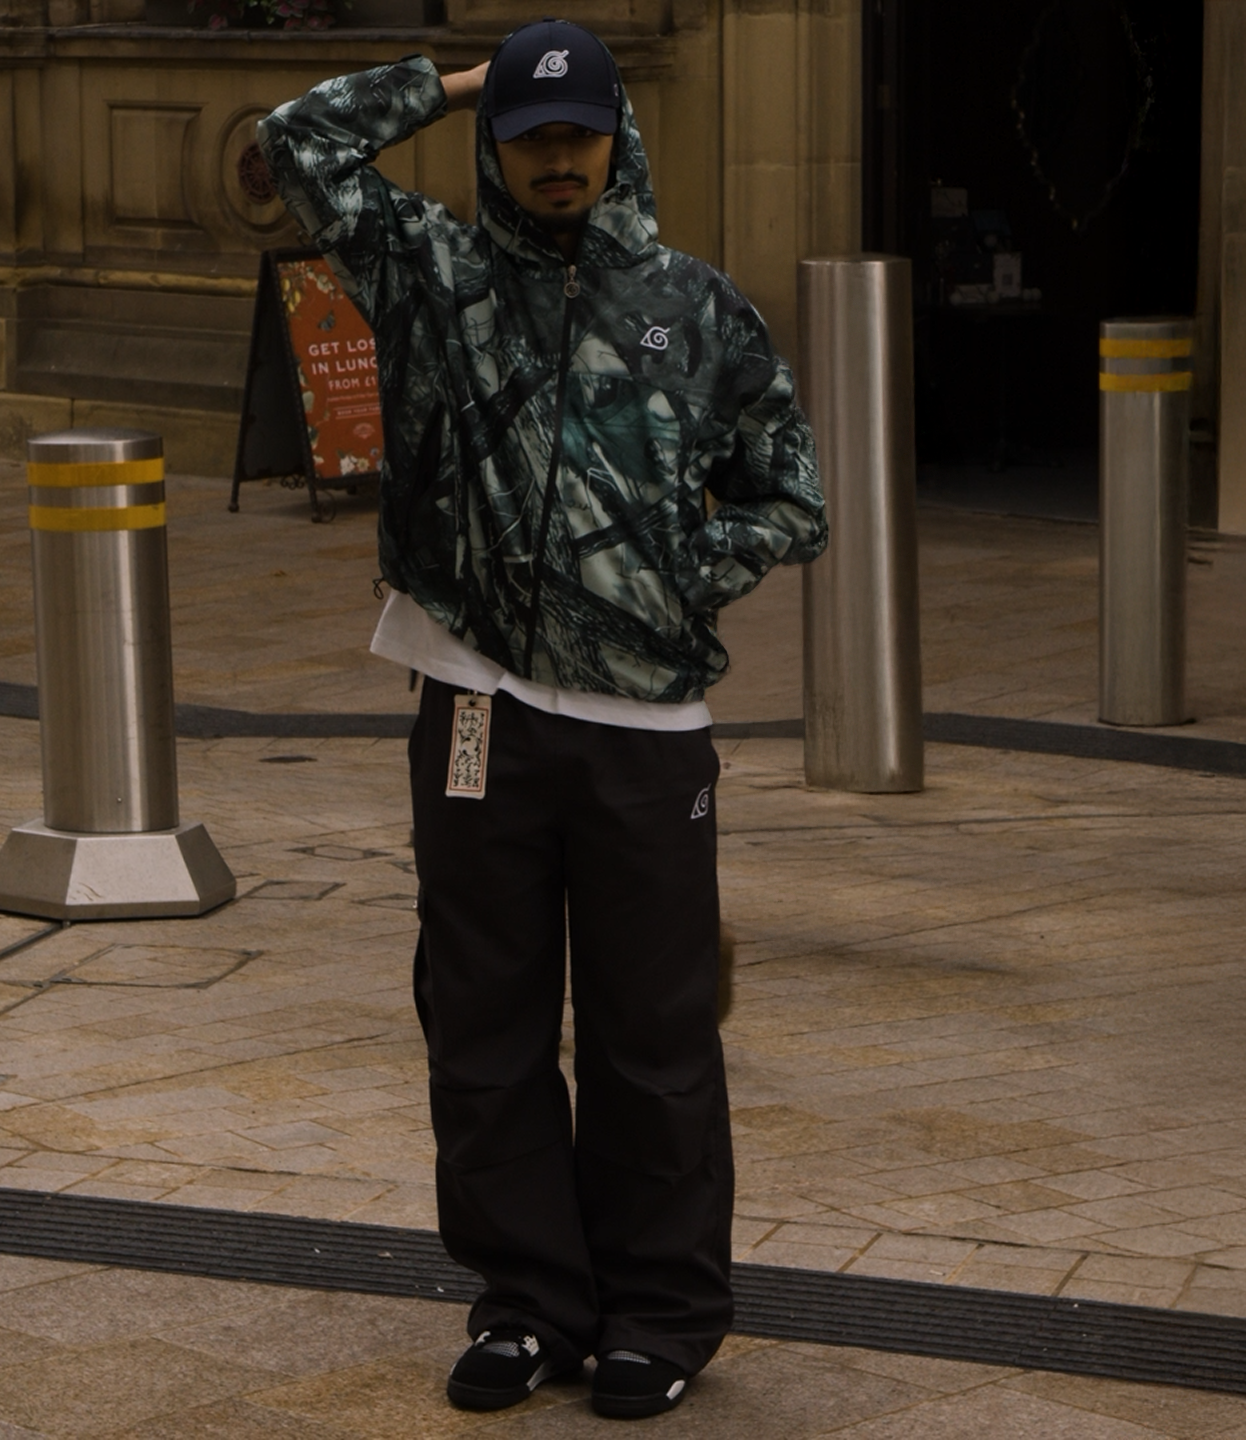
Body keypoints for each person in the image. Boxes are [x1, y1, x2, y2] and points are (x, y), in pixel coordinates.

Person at [260, 19, 825, 1420]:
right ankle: (528, 1306)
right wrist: (456, 80)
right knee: (482, 1022)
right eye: (529, 135)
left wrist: (681, 569)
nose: (557, 158)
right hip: (476, 708)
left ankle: (661, 1316)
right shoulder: (432, 275)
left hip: (646, 731)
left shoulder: (697, 308)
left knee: (653, 1035)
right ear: (496, 146)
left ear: (617, 137)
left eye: (578, 132)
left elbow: (791, 492)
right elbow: (293, 146)